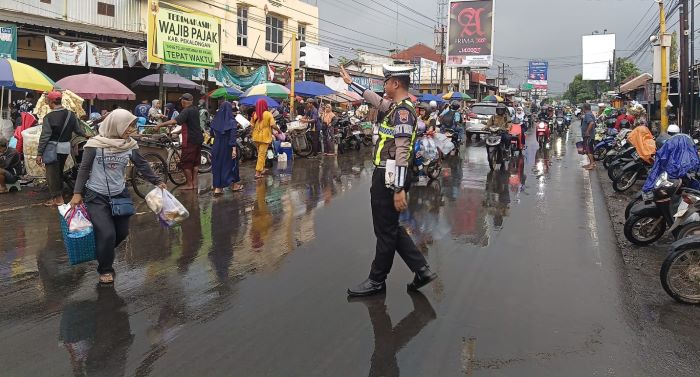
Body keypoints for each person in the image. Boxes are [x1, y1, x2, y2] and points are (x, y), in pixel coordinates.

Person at [341, 64, 437, 297]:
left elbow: (402, 151)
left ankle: (377, 280)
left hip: (389, 176)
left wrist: (398, 189)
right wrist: (350, 81)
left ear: (395, 83)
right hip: (386, 175)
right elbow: (375, 100)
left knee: (384, 231)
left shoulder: (403, 112)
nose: (383, 86)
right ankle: (421, 269)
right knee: (391, 228)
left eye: (386, 82)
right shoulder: (395, 107)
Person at [69, 109, 166, 284]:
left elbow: (142, 165)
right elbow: (83, 169)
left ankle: (102, 251)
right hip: (96, 195)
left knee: (121, 233)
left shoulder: (130, 145)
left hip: (120, 194)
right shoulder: (94, 144)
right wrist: (77, 193)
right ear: (116, 125)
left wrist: (157, 181)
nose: (132, 129)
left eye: (133, 125)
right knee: (107, 234)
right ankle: (105, 268)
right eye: (129, 125)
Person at [37, 91, 88, 207]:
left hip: (52, 149)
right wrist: (87, 135)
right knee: (59, 172)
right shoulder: (71, 114)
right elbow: (78, 130)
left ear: (51, 102)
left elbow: (45, 137)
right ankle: (58, 197)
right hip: (65, 148)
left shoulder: (48, 117)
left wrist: (39, 153)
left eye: (48, 102)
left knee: (52, 174)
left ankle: (58, 199)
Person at [156, 93, 203, 190]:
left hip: (190, 140)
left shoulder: (186, 110)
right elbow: (190, 125)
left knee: (186, 163)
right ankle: (194, 183)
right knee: (195, 163)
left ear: (183, 101)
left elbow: (174, 121)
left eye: (181, 100)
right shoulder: (195, 109)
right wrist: (177, 132)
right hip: (198, 139)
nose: (181, 102)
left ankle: (190, 185)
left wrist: (160, 125)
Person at [211, 101, 243, 196]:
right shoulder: (232, 122)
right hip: (228, 146)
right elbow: (232, 138)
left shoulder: (215, 121)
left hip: (216, 146)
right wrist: (233, 150)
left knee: (218, 166)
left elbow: (212, 134)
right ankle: (234, 185)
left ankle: (218, 188)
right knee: (231, 165)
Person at [250, 99, 279, 179]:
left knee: (260, 153)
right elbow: (273, 125)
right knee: (261, 155)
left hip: (256, 137)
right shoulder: (268, 114)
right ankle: (258, 173)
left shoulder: (254, 114)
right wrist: (279, 131)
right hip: (265, 137)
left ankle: (261, 169)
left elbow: (251, 126)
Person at [581, 103, 597, 170]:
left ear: (584, 108)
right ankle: (592, 163)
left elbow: (591, 123)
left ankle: (592, 164)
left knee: (588, 150)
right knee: (590, 149)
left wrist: (587, 131)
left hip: (588, 136)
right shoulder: (590, 114)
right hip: (590, 135)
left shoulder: (587, 115)